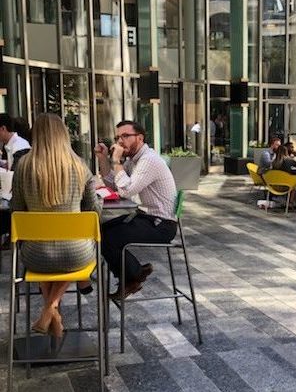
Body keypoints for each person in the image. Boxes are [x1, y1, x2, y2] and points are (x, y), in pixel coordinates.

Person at [11, 113, 102, 337]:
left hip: (35, 256)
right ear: (64, 135)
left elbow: (16, 211)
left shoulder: (23, 167)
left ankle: (49, 312)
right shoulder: (80, 166)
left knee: (45, 250)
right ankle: (51, 311)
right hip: (76, 255)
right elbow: (94, 212)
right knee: (74, 249)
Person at [95, 120, 178, 300]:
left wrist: (116, 160)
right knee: (99, 231)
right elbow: (113, 183)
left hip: (161, 224)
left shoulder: (148, 160)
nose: (120, 141)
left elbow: (126, 190)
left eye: (125, 136)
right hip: (146, 217)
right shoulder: (135, 160)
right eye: (118, 137)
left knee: (108, 237)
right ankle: (135, 273)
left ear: (139, 138)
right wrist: (103, 159)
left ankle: (132, 277)